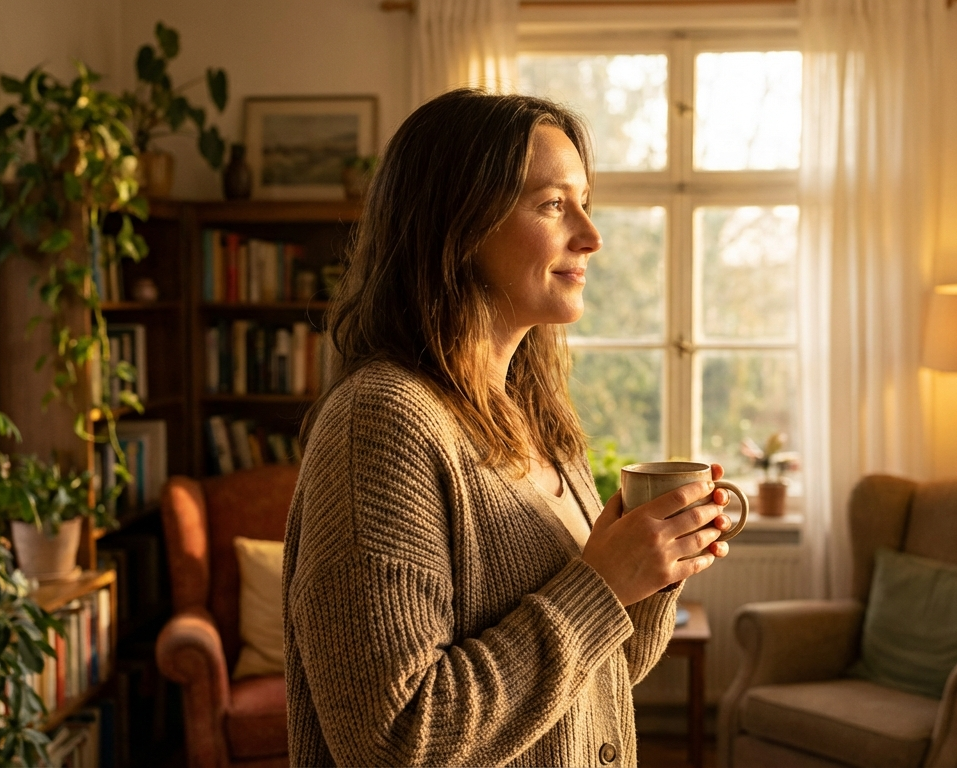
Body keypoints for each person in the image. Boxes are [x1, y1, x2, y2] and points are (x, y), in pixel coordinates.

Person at [283, 88, 733, 767]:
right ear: (458, 225)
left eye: (585, 201)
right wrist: (602, 584)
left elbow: (601, 678)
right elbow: (394, 741)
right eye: (554, 204)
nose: (591, 234)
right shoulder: (381, 423)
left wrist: (651, 569)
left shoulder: (539, 421)